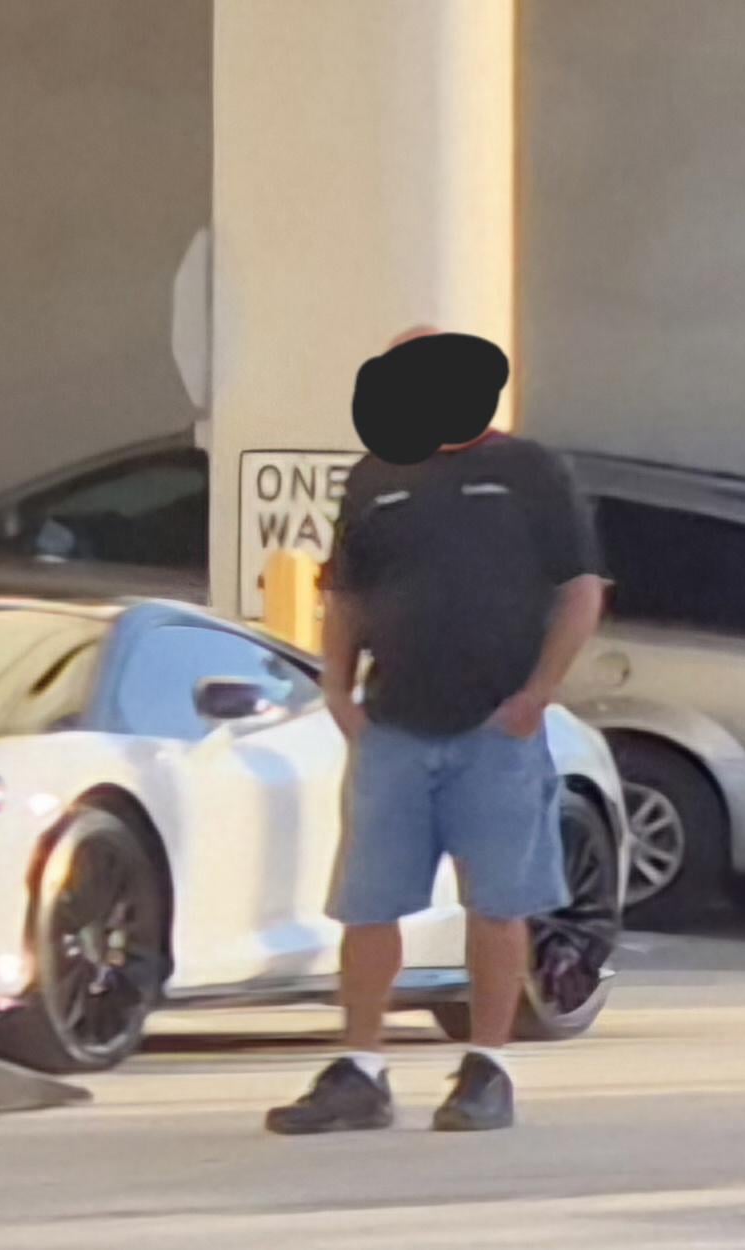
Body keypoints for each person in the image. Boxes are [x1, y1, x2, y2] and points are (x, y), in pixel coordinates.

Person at [265, 329, 606, 1134]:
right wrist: (337, 690)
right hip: (393, 725)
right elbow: (346, 593)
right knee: (368, 904)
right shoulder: (375, 476)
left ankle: (487, 1067)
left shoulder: (529, 471)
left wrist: (536, 695)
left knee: (498, 902)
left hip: (496, 727)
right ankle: (360, 1069)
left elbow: (580, 587)